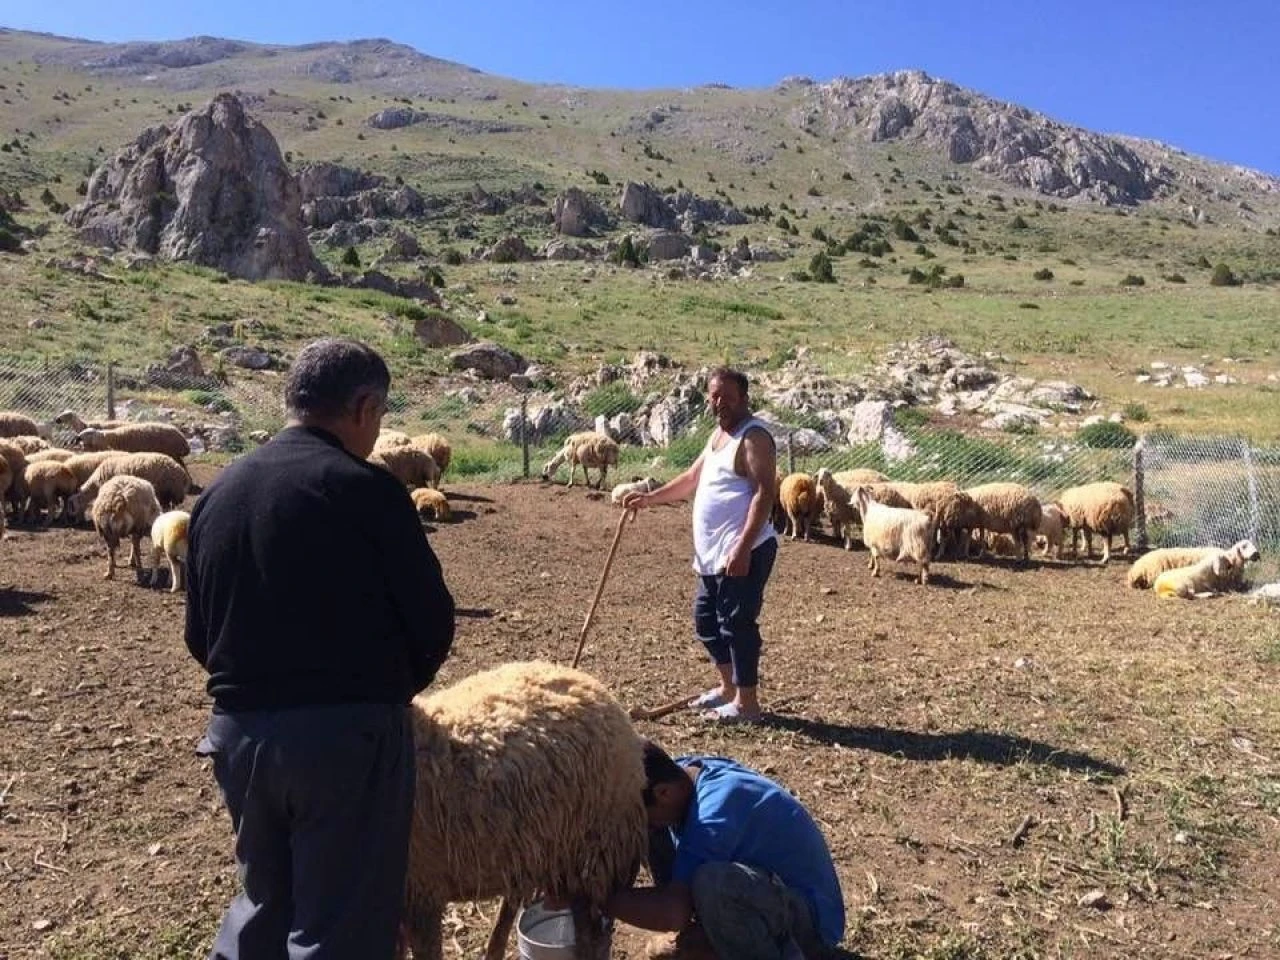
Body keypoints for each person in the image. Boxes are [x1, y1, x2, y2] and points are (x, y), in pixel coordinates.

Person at [184, 337, 456, 960]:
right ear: (364, 407)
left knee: (262, 906)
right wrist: (380, 698)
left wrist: (253, 692)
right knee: (339, 925)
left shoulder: (220, 493)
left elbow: (199, 633)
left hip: (240, 736)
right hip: (345, 740)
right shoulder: (367, 491)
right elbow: (432, 623)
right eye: (380, 417)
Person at [623, 366, 778, 723]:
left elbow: (764, 494)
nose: (718, 403)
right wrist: (649, 499)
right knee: (706, 621)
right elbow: (692, 478)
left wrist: (741, 548)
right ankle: (727, 688)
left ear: (744, 398)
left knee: (738, 624)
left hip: (742, 550)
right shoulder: (718, 437)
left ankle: (747, 705)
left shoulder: (753, 437)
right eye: (713, 396)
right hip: (711, 555)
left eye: (726, 396)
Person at [605, 740, 846, 960]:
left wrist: (595, 897)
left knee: (713, 882)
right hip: (762, 892)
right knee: (653, 831)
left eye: (640, 814)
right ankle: (711, 937)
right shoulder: (681, 774)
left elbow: (673, 912)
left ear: (663, 792)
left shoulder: (714, 815)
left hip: (809, 922)